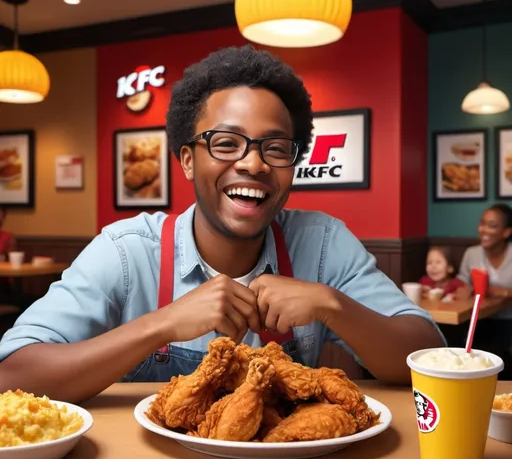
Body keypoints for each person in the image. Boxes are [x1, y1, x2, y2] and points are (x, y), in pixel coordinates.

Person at [0, 45, 445, 402]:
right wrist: (162, 324)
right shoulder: (126, 250)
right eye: (226, 143)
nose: (252, 163)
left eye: (274, 148)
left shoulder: (323, 244)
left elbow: (427, 355)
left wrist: (333, 304)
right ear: (189, 161)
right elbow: (13, 374)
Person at [457, 203, 512, 378]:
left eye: (492, 225)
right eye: (482, 223)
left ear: (506, 232)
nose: (483, 229)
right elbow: (461, 283)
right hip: (479, 321)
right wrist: (460, 288)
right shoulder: (471, 254)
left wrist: (504, 292)